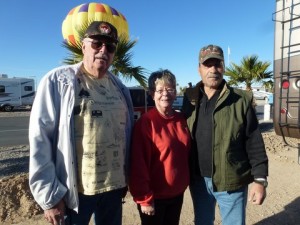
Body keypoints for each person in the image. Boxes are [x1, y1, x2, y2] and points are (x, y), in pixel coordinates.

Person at [28, 21, 134, 225]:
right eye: (97, 43)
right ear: (83, 46)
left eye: (110, 46)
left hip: (114, 190)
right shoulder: (58, 82)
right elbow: (40, 138)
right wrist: (49, 195)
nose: (104, 50)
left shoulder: (120, 88)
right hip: (74, 195)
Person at [181, 44, 269, 225]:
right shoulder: (190, 98)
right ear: (199, 69)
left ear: (224, 67)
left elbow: (254, 142)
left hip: (231, 182)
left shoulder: (240, 99)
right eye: (207, 64)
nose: (213, 70)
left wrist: (260, 180)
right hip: (198, 181)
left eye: (218, 64)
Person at [129, 69, 191, 225]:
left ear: (176, 92)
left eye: (170, 89)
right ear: (151, 93)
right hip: (154, 197)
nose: (165, 94)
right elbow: (138, 164)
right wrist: (144, 198)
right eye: (160, 90)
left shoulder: (181, 119)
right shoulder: (146, 123)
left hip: (177, 194)